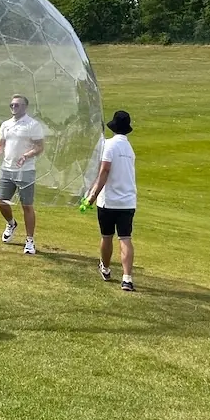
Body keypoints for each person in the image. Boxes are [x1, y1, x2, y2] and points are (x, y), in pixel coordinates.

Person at [0, 94, 45, 255]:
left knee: (27, 206)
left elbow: (39, 147)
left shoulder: (33, 125)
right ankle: (11, 223)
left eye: (17, 105)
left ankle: (30, 240)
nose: (14, 108)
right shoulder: (5, 125)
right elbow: (1, 145)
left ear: (25, 107)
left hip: (26, 171)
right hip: (6, 169)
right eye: (12, 105)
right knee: (1, 202)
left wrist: (27, 155)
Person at [84, 110, 137, 292]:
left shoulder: (109, 145)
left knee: (107, 236)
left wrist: (91, 196)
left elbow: (104, 171)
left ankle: (105, 268)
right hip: (128, 201)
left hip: (109, 200)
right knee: (125, 238)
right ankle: (127, 278)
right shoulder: (129, 149)